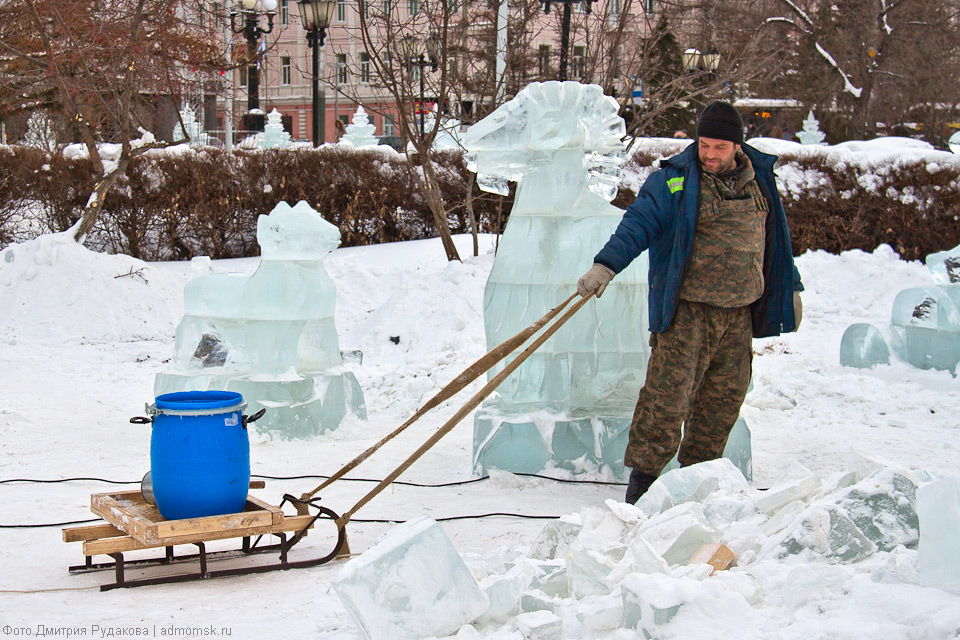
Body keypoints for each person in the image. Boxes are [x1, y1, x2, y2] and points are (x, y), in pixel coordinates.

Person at [577, 101, 803, 504]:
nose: (710, 154)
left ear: (737, 146)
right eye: (704, 145)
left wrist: (793, 288)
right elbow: (638, 223)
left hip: (738, 317)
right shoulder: (674, 181)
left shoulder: (759, 181)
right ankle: (641, 488)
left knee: (722, 404)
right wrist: (606, 265)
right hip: (688, 314)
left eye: (719, 147)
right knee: (666, 400)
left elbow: (775, 241)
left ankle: (696, 483)